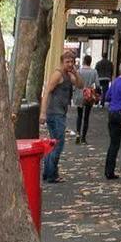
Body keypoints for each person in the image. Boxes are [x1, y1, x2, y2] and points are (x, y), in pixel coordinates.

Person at [41, 46, 80, 183]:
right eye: (67, 62)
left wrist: (75, 73)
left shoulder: (69, 75)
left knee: (53, 143)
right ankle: (52, 174)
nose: (70, 64)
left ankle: (48, 172)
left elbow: (81, 85)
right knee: (58, 143)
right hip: (55, 113)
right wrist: (43, 113)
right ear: (62, 62)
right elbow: (47, 92)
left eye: (72, 62)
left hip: (61, 112)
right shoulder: (57, 75)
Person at [73, 54, 100, 143]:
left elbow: (75, 83)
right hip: (89, 95)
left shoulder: (79, 71)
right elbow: (97, 84)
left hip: (79, 94)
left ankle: (77, 134)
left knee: (79, 115)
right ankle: (84, 138)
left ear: (84, 61)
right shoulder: (94, 72)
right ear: (90, 62)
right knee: (86, 117)